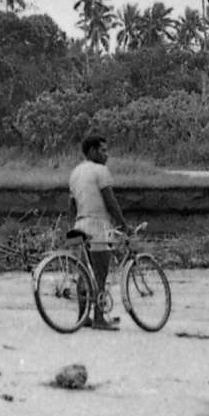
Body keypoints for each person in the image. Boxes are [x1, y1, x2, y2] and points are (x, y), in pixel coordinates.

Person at [69, 136, 127, 330]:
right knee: (100, 273)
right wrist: (123, 224)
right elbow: (110, 201)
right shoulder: (101, 171)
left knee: (84, 274)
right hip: (98, 225)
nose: (106, 155)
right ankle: (100, 319)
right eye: (103, 150)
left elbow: (72, 205)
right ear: (93, 151)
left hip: (80, 224)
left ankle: (82, 316)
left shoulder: (76, 172)